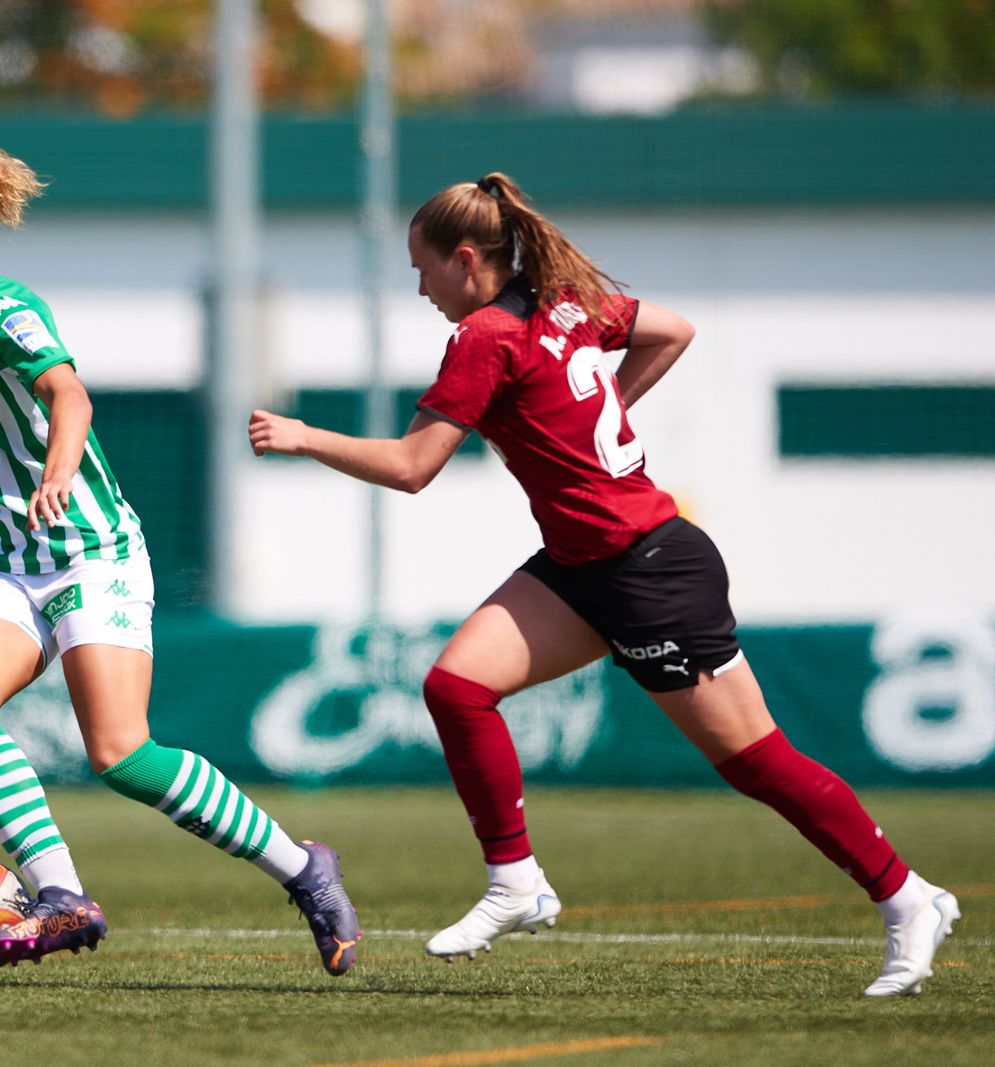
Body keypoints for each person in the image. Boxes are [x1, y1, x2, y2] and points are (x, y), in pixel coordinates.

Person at [247, 172, 957, 997]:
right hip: (584, 564)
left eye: (423, 269)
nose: (419, 286)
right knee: (457, 686)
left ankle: (908, 898)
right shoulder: (565, 303)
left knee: (759, 760)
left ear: (466, 260)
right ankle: (516, 883)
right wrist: (600, 411)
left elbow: (413, 468)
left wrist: (302, 436)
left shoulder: (485, 334)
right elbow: (674, 330)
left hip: (649, 568)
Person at [0, 135, 358, 975]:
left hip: (90, 551)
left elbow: (70, 392)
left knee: (123, 756)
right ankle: (60, 893)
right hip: (8, 561)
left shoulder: (2, 307)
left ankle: (303, 867)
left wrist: (59, 470)